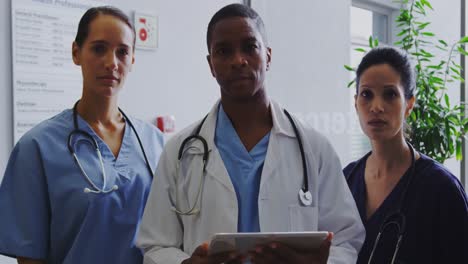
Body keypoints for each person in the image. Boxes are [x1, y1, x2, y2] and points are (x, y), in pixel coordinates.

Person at [137, 3, 364, 264]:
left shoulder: (314, 148)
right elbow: (156, 246)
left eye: (249, 47)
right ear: (211, 64)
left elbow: (346, 239)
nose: (238, 60)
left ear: (267, 56)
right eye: (224, 51)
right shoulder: (180, 152)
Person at [0, 6, 164, 264]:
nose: (112, 62)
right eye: (99, 49)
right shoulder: (37, 148)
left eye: (122, 52)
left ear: (132, 60)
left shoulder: (154, 142)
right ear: (76, 53)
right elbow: (30, 256)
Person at [343, 46, 468, 264]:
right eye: (366, 95)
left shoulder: (441, 188)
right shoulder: (346, 180)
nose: (376, 107)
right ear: (355, 103)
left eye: (390, 94)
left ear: (409, 104)